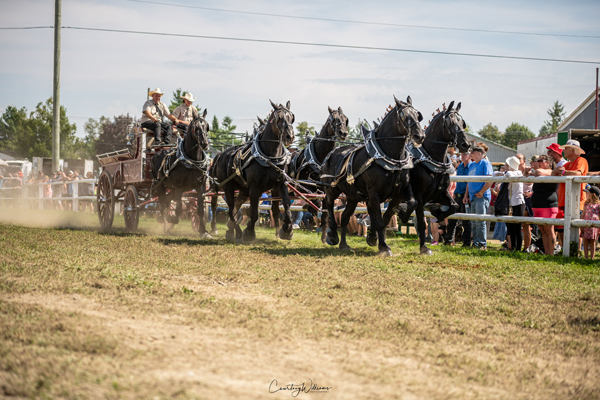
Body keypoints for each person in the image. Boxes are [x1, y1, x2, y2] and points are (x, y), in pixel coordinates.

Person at [464, 145, 493, 250]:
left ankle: (481, 244)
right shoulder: (472, 165)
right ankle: (476, 243)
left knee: (480, 221)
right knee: (474, 221)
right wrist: (466, 195)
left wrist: (481, 192)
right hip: (473, 196)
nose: (471, 154)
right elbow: (468, 181)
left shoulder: (485, 163)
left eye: (473, 152)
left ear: (479, 154)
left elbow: (490, 179)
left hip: (482, 196)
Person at [531, 155, 558, 255]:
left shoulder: (552, 171)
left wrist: (533, 172)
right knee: (542, 230)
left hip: (548, 204)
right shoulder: (539, 172)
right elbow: (526, 180)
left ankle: (550, 254)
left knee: (549, 229)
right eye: (538, 161)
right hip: (537, 204)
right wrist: (526, 173)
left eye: (540, 161)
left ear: (548, 162)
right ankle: (547, 253)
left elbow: (538, 172)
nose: (538, 162)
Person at [444, 151, 472, 247]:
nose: (462, 156)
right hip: (458, 195)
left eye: (465, 154)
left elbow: (469, 182)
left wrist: (466, 196)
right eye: (462, 155)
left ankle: (466, 242)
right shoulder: (460, 166)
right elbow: (457, 181)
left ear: (469, 156)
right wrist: (455, 193)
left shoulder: (471, 166)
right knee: (452, 219)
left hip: (465, 196)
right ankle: (449, 240)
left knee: (466, 221)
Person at [503, 156, 525, 251]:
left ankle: (518, 248)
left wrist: (504, 173)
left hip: (518, 202)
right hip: (511, 203)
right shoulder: (510, 173)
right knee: (511, 227)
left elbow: (510, 175)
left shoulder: (517, 173)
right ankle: (513, 247)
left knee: (517, 227)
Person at [580, 185, 599, 260]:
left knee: (592, 242)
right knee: (585, 241)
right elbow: (583, 214)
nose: (586, 194)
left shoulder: (598, 205)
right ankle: (586, 257)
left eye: (588, 193)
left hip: (594, 226)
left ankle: (592, 257)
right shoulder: (586, 204)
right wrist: (581, 224)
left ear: (593, 194)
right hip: (585, 225)